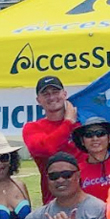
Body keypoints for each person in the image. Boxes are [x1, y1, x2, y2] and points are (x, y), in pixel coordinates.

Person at [22, 75, 81, 203]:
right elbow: (47, 149)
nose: (52, 97)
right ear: (38, 100)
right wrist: (68, 123)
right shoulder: (32, 128)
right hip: (55, 201)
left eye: (55, 92)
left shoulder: (82, 123)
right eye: (46, 94)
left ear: (64, 94)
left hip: (87, 197)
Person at [71, 117, 110, 202]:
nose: (95, 139)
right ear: (82, 141)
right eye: (89, 135)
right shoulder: (76, 171)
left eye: (100, 133)